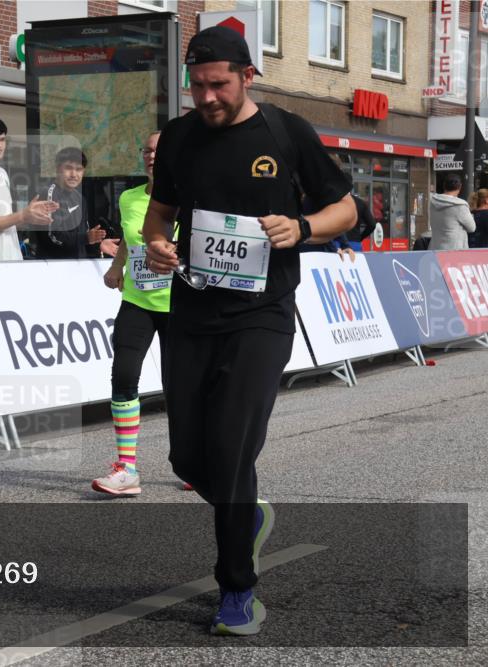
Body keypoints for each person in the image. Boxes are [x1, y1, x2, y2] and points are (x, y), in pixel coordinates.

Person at [143, 26, 356, 636]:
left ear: (246, 76)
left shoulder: (287, 132)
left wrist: (303, 228)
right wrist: (156, 243)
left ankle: (237, 589)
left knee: (233, 450)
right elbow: (162, 211)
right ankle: (248, 517)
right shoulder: (181, 137)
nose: (206, 97)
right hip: (191, 310)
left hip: (262, 315)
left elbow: (346, 208)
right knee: (188, 455)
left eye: (218, 85)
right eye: (197, 85)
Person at [92, 131, 186, 495]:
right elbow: (132, 242)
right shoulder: (129, 198)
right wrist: (117, 267)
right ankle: (126, 468)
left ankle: (193, 461)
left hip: (179, 303)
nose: (151, 156)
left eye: (158, 151)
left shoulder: (188, 199)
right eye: (146, 150)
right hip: (138, 300)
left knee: (180, 385)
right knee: (123, 373)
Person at [0, 115, 58, 260]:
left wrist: (29, 216)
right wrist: (22, 215)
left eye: (2, 139)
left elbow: (5, 221)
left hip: (10, 259)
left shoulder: (1, 172)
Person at [34, 147, 106, 259]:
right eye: (68, 168)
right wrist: (86, 238)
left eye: (79, 169)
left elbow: (82, 238)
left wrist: (98, 244)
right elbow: (52, 237)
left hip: (77, 268)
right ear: (58, 169)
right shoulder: (49, 194)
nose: (74, 174)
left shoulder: (80, 198)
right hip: (52, 269)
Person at [429, 174, 476, 250]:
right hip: (454, 251)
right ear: (460, 187)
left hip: (435, 248)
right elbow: (472, 228)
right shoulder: (460, 206)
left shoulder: (433, 201)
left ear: (444, 185)